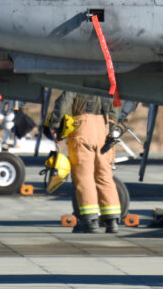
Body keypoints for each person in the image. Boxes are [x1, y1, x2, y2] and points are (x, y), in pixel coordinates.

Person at [46, 91, 122, 233]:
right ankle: (112, 221)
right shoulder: (109, 81)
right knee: (104, 176)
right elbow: (115, 108)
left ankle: (91, 221)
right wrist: (110, 129)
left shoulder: (79, 79)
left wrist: (55, 124)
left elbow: (64, 100)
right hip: (104, 131)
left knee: (84, 177)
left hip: (82, 129)